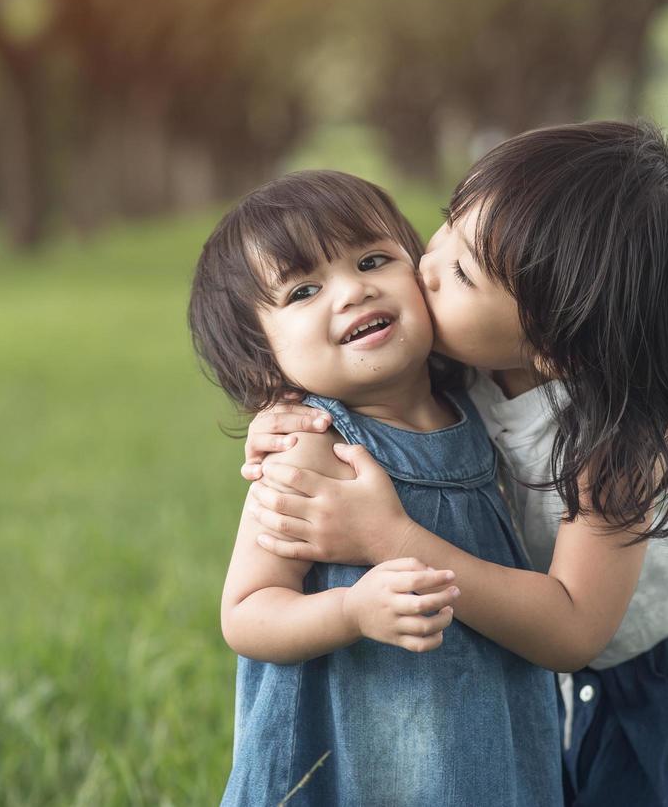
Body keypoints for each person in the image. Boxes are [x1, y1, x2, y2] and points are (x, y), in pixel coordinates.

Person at [241, 122, 668, 806]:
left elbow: (572, 628)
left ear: (555, 348)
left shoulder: (619, 450)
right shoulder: (469, 342)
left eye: (462, 272)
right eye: (448, 225)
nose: (425, 265)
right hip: (572, 600)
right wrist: (286, 406)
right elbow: (356, 365)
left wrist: (390, 538)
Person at [188, 169, 564, 806]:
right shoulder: (309, 447)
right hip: (359, 745)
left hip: (483, 720)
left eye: (372, 259)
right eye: (303, 289)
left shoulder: (472, 404)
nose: (353, 291)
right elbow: (247, 614)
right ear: (264, 356)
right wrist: (350, 611)